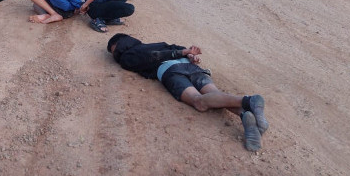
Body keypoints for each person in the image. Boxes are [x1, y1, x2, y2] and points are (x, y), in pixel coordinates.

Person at [107, 32, 269, 152]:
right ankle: (245, 114)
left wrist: (181, 53)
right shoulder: (157, 43)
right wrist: (190, 55)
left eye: (113, 50)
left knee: (199, 101)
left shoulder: (126, 56)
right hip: (189, 65)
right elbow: (180, 49)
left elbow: (154, 56)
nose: (115, 53)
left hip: (170, 70)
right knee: (215, 95)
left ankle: (248, 101)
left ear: (117, 45)